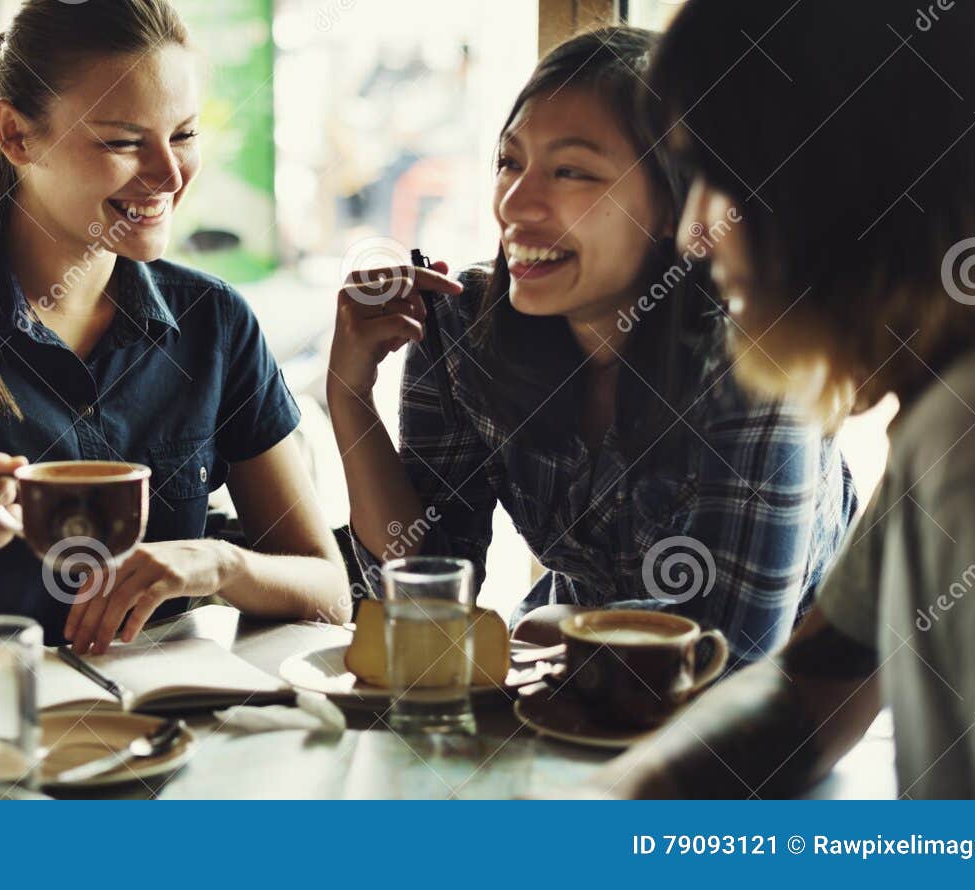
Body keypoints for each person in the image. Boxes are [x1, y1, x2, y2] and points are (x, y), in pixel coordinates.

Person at [578, 0, 975, 798]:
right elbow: (815, 686)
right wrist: (617, 805)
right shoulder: (953, 405)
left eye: (721, 179)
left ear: (840, 186)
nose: (693, 234)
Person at [0, 0, 349, 659]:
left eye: (183, 135)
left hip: (166, 730)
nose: (169, 174)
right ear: (16, 135)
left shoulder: (213, 322)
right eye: (124, 142)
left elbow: (329, 592)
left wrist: (218, 565)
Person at [327, 27, 856, 664]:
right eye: (509, 162)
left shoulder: (756, 360)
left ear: (674, 205)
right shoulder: (465, 329)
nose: (516, 205)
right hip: (572, 694)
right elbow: (424, 593)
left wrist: (549, 625)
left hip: (773, 732)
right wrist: (351, 398)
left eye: (572, 171)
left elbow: (728, 651)